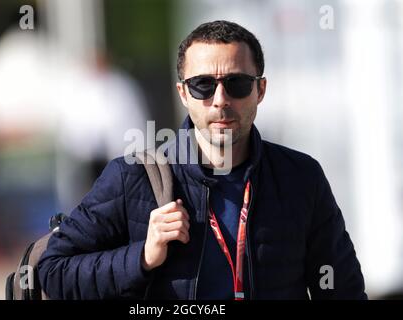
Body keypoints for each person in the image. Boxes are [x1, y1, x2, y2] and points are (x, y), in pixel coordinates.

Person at [38, 20, 367, 300]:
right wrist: (143, 256)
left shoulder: (300, 177)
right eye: (203, 86)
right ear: (183, 93)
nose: (220, 100)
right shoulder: (133, 176)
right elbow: (52, 272)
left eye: (236, 84)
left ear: (261, 90)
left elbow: (343, 289)